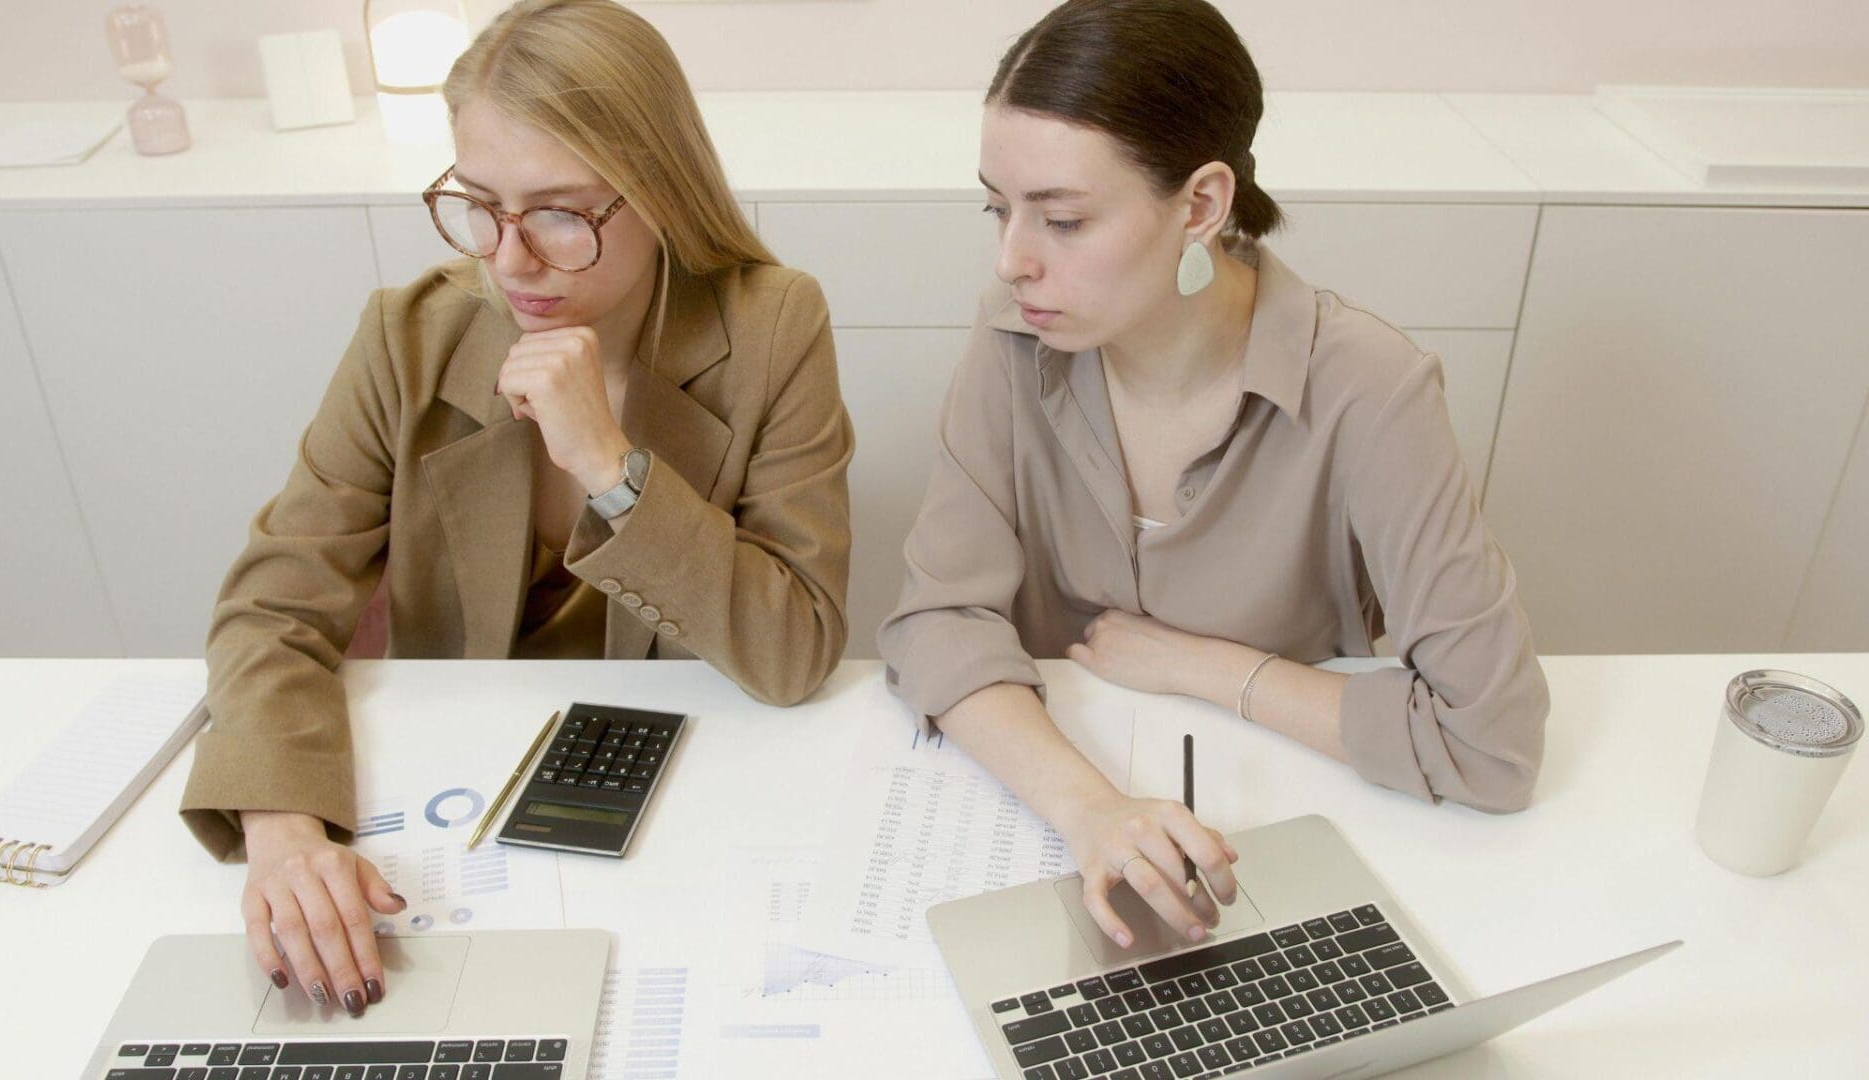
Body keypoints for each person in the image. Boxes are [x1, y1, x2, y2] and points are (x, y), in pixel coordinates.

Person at [179, 0, 853, 1018]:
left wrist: (611, 464)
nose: (508, 258)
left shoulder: (773, 324)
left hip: (685, 797)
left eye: (559, 211)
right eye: (478, 202)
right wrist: (281, 832)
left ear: (662, 191)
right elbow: (271, 610)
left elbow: (797, 647)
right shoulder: (408, 334)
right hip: (451, 809)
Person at [879, 0, 1549, 953]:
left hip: (1289, 827)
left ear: (1200, 205)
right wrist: (1092, 811)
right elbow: (938, 620)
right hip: (1046, 810)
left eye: (1062, 218)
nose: (1012, 259)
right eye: (999, 206)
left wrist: (1202, 665)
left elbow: (1494, 745)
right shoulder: (1015, 337)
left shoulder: (1370, 387)